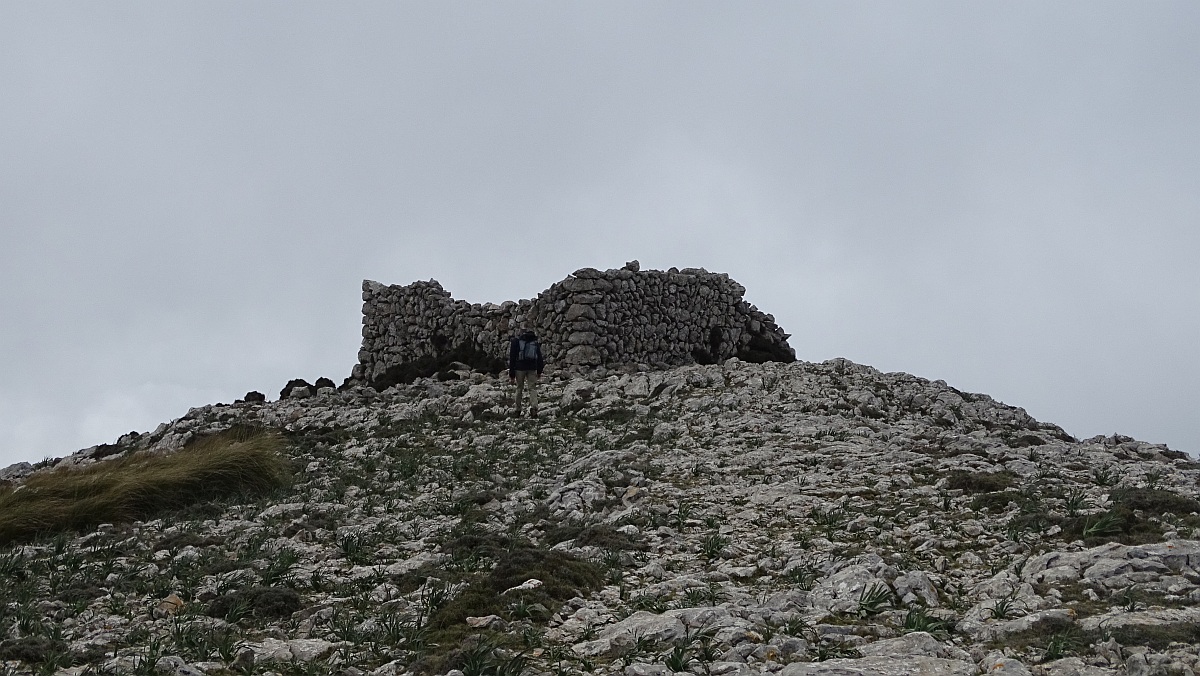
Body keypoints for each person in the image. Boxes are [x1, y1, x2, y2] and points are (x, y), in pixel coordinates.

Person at [509, 329, 545, 418]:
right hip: (532, 368)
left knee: (519, 388)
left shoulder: (516, 341)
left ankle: (517, 410)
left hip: (519, 368)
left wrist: (512, 374)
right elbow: (539, 357)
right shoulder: (534, 342)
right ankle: (534, 409)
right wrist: (539, 371)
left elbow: (512, 357)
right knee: (532, 388)